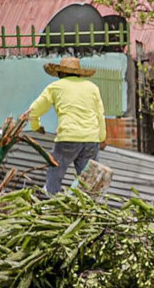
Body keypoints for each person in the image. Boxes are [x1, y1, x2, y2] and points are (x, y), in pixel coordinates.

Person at [28, 57, 107, 194]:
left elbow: (34, 110)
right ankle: (88, 208)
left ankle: (50, 201)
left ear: (60, 73)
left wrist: (36, 126)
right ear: (79, 74)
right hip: (91, 139)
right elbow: (100, 114)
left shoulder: (56, 87)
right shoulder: (92, 88)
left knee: (55, 174)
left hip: (67, 138)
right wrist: (101, 137)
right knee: (88, 181)